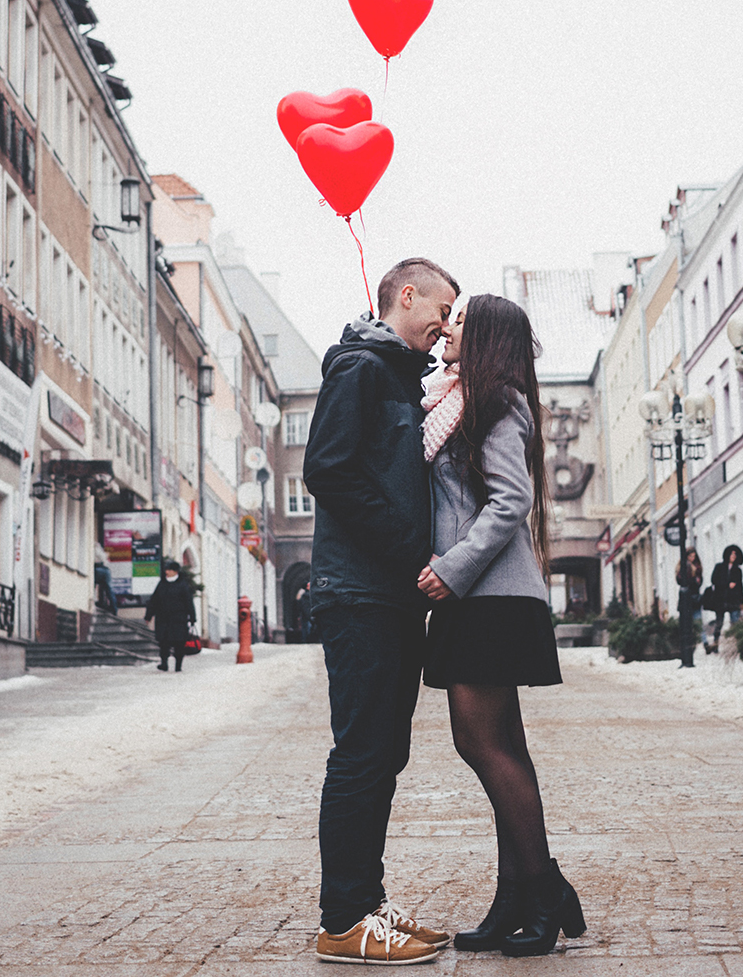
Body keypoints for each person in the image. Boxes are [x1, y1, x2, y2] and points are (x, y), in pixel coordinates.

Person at [417, 293, 585, 957]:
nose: (446, 331)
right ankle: (519, 893)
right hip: (477, 597)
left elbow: (511, 499)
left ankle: (541, 891)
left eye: (458, 322)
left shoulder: (500, 402)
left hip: (489, 595)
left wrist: (452, 568)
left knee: (483, 745)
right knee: (501, 748)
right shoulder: (453, 401)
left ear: (485, 336)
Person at [305, 258, 460, 965]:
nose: (446, 325)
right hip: (361, 591)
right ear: (407, 295)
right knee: (363, 753)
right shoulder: (360, 369)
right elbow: (328, 470)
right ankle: (343, 919)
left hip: (390, 593)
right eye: (442, 308)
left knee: (383, 753)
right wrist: (409, 552)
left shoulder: (399, 376)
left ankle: (367, 904)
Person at [146, 560, 196, 672]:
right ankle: (164, 664)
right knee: (163, 643)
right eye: (166, 570)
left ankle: (178, 666)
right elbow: (154, 600)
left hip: (178, 620)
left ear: (175, 571)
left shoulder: (183, 585)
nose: (166, 572)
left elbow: (189, 602)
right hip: (163, 618)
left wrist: (192, 618)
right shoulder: (162, 584)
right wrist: (148, 615)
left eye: (169, 570)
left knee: (179, 644)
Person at [705, 544, 743, 653]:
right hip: (720, 600)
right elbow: (714, 580)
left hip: (733, 600)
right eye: (731, 554)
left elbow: (740, 586)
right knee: (719, 623)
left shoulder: (737, 570)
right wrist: (727, 585)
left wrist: (741, 600)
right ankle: (716, 643)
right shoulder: (719, 567)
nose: (733, 556)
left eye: (735, 554)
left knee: (735, 623)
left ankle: (737, 645)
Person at [675, 547, 704, 668]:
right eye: (690, 556)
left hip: (694, 598)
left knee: (697, 620)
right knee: (687, 623)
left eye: (693, 556)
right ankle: (691, 647)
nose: (692, 558)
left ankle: (704, 642)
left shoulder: (697, 567)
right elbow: (681, 580)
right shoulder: (683, 567)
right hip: (686, 599)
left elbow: (698, 581)